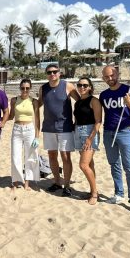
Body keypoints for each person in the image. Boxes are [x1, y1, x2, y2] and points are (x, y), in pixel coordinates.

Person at [99, 66, 130, 213]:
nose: (110, 79)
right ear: (103, 78)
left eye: (112, 75)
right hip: (108, 132)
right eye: (106, 77)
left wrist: (129, 103)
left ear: (117, 74)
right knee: (114, 164)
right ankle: (118, 193)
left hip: (124, 132)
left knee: (129, 166)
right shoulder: (103, 95)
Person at [38, 64, 79, 197]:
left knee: (65, 157)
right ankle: (57, 182)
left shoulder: (68, 86)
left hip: (65, 127)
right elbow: (38, 104)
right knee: (51, 155)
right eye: (49, 72)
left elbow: (80, 102)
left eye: (55, 71)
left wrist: (79, 123)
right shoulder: (43, 88)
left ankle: (67, 185)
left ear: (59, 73)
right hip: (48, 128)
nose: (52, 74)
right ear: (46, 74)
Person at [8, 79, 40, 191]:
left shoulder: (34, 101)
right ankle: (16, 182)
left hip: (29, 130)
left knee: (30, 157)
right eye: (22, 88)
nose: (25, 90)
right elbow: (11, 116)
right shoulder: (14, 100)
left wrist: (37, 136)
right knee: (15, 156)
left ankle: (27, 182)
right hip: (16, 130)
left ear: (30, 88)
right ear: (20, 88)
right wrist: (0, 119)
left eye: (27, 88)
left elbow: (37, 119)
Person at [73, 77, 102, 205]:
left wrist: (90, 139)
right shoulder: (77, 102)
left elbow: (98, 122)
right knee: (89, 164)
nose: (82, 87)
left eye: (85, 85)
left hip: (90, 133)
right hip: (78, 132)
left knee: (83, 165)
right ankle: (92, 190)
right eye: (79, 85)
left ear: (90, 87)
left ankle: (95, 193)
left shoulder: (94, 101)